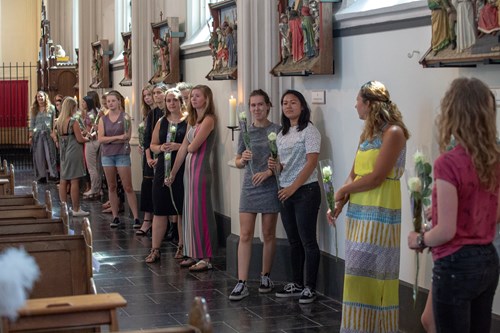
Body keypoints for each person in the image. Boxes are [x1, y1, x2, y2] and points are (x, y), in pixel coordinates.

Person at [407, 77, 500, 333]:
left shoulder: (448, 162)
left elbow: (446, 231)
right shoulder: (494, 159)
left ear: (452, 113)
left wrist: (419, 239)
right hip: (488, 260)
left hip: (457, 264)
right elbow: (490, 213)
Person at [327, 81, 410, 332]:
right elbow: (355, 174)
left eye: (358, 101)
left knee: (377, 275)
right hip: (359, 211)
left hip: (381, 208)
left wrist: (342, 191)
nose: (355, 105)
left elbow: (376, 176)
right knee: (355, 274)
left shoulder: (394, 132)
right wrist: (339, 203)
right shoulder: (368, 134)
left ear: (370, 104)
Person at [267, 90, 321, 304]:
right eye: (284, 103)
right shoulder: (281, 134)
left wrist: (293, 188)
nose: (288, 106)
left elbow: (311, 162)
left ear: (302, 106)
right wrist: (275, 166)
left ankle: (310, 287)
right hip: (285, 190)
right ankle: (297, 284)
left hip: (305, 190)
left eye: (293, 102)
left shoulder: (309, 131)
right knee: (294, 241)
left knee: (308, 241)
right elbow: (283, 165)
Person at [229, 89, 281, 301]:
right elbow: (238, 160)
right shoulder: (245, 132)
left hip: (269, 186)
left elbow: (281, 162)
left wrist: (269, 171)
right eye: (253, 105)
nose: (257, 109)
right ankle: (242, 282)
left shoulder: (278, 130)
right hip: (250, 187)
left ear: (268, 106)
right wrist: (244, 159)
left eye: (261, 104)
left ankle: (265, 276)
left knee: (268, 234)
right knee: (246, 234)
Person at [165, 85, 218, 272]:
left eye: (197, 96)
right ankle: (193, 252)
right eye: (192, 96)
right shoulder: (193, 120)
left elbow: (192, 147)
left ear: (206, 99)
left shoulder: (209, 120)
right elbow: (182, 149)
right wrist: (172, 173)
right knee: (189, 212)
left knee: (200, 213)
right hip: (188, 171)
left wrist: (183, 146)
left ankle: (206, 256)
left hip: (200, 171)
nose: (193, 99)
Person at [147, 88, 188, 263]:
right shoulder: (161, 121)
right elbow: (153, 145)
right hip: (163, 168)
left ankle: (182, 245)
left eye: (175, 100)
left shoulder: (188, 121)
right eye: (169, 100)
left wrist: (179, 146)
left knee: (180, 209)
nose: (172, 104)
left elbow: (190, 143)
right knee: (160, 209)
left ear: (181, 102)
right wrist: (161, 148)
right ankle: (155, 249)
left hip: (181, 168)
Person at [98, 90, 140, 228]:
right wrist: (117, 138)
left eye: (113, 101)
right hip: (107, 155)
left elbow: (127, 136)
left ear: (118, 101)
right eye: (108, 101)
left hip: (122, 153)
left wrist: (112, 140)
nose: (110, 103)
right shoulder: (103, 119)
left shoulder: (125, 117)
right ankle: (115, 216)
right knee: (112, 186)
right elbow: (101, 139)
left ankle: (136, 217)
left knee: (127, 186)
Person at [55, 97, 89, 217]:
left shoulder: (58, 121)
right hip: (73, 151)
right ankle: (76, 208)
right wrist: (88, 138)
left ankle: (64, 208)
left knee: (63, 180)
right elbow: (79, 139)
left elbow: (58, 138)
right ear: (72, 107)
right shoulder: (73, 121)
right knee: (74, 180)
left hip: (63, 152)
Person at [135, 84, 156, 236]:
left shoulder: (160, 113)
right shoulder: (148, 113)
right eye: (145, 96)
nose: (147, 98)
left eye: (150, 94)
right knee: (147, 185)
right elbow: (146, 134)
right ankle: (148, 219)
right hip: (148, 153)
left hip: (157, 152)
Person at [29, 91, 58, 183]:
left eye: (41, 96)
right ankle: (41, 176)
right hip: (37, 135)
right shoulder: (34, 109)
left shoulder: (52, 108)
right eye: (38, 97)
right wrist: (30, 136)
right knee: (39, 155)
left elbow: (54, 122)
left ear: (45, 97)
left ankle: (53, 174)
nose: (40, 98)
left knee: (50, 155)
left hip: (48, 134)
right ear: (36, 99)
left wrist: (54, 133)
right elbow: (32, 123)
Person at [81, 95, 102, 200]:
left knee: (91, 167)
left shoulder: (91, 114)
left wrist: (85, 132)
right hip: (96, 140)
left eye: (84, 102)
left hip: (92, 141)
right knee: (96, 167)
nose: (82, 104)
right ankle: (97, 188)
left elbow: (93, 128)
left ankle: (94, 189)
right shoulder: (96, 111)